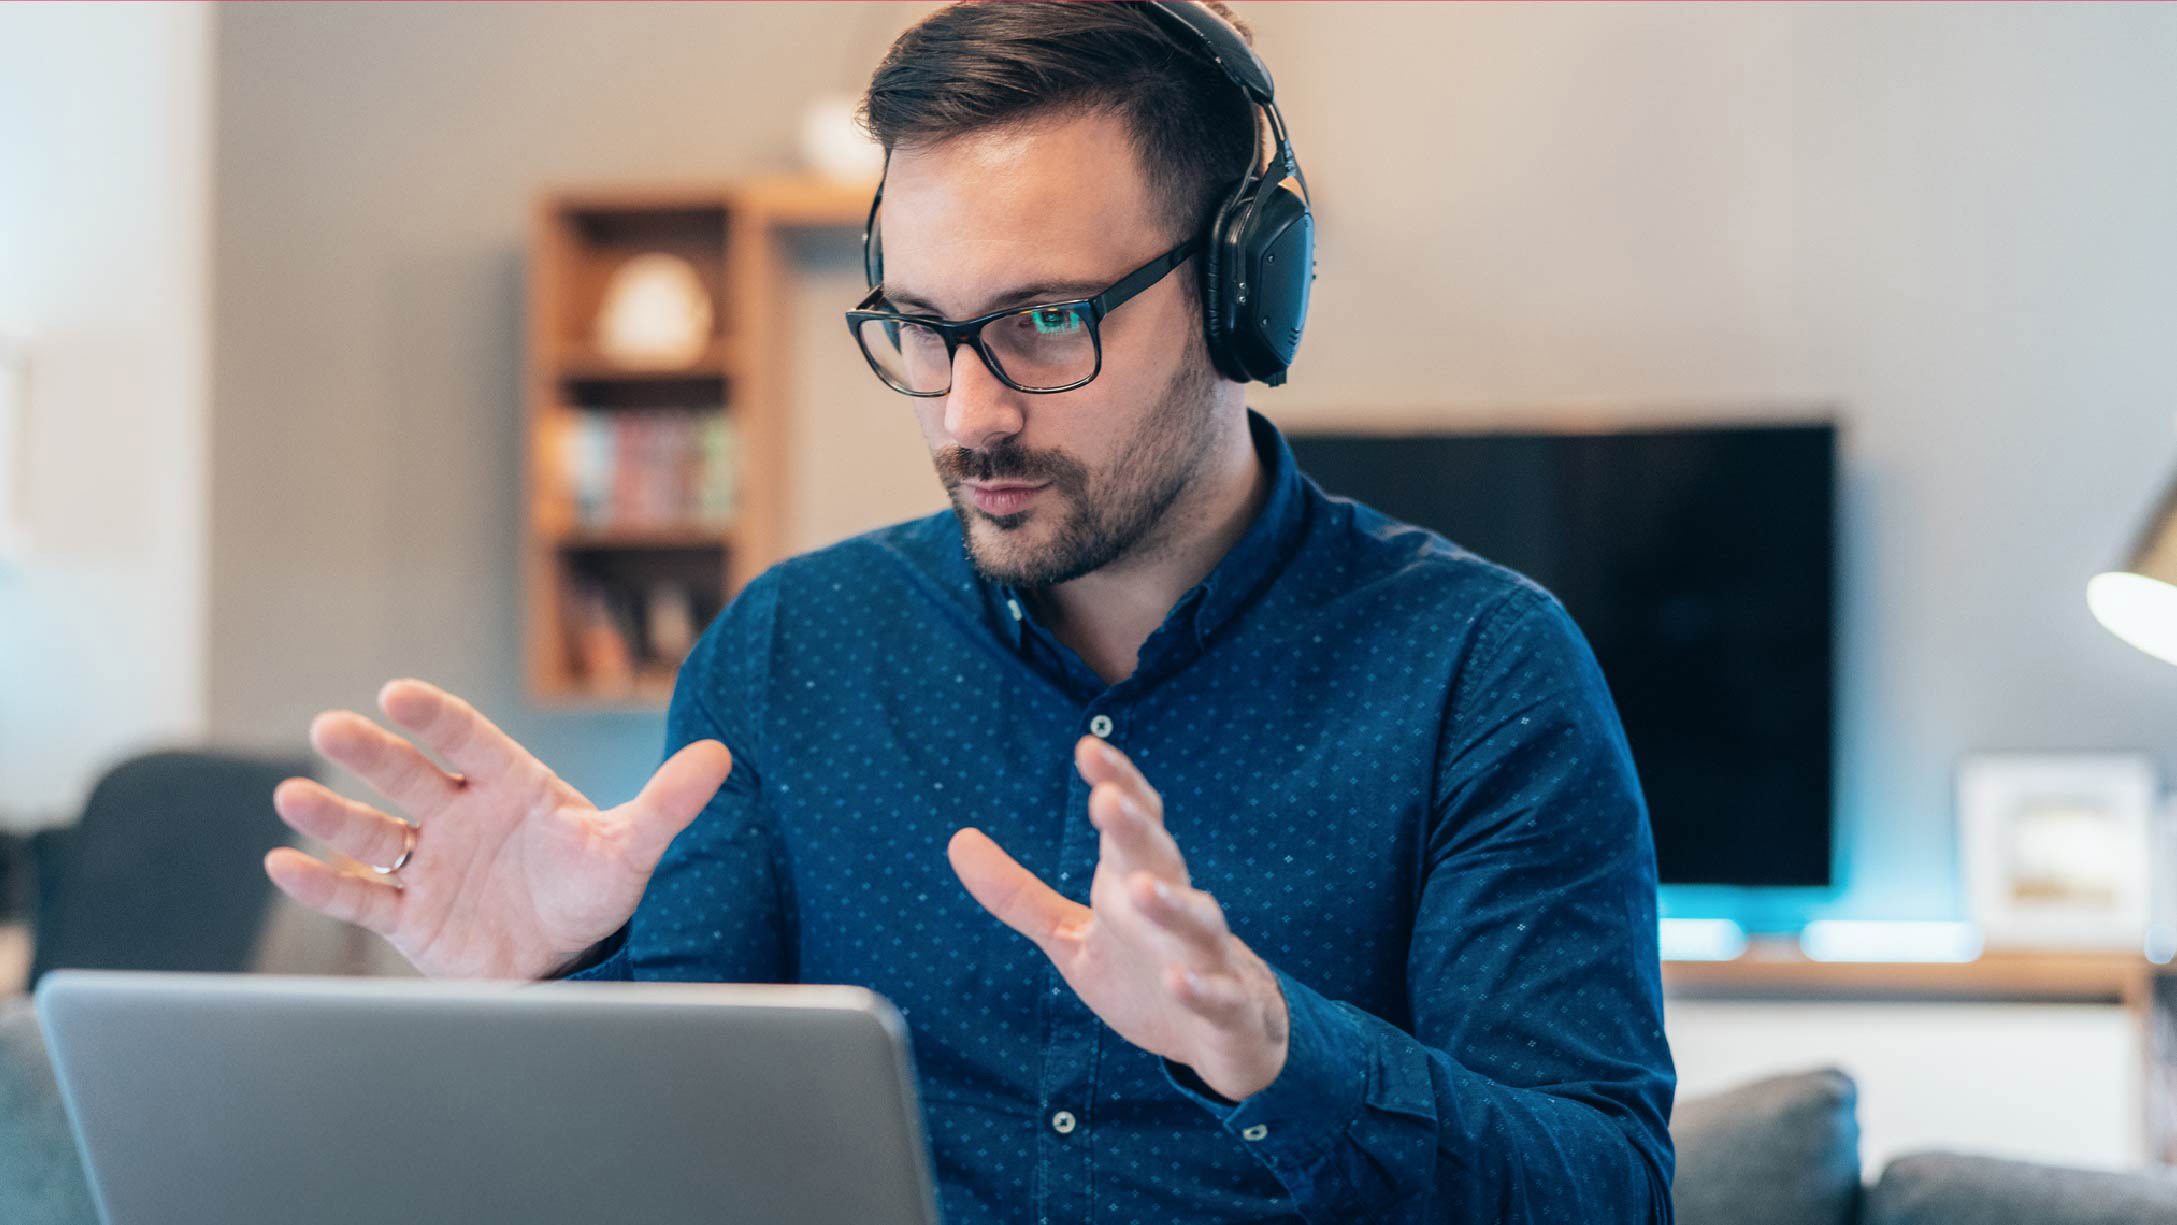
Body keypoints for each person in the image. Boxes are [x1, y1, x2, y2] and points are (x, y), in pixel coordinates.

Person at [262, 3, 1677, 1222]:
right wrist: (560, 986)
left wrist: (1278, 1051)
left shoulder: (1482, 671)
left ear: (1239, 292)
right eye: (921, 329)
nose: (966, 414)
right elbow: (689, 1159)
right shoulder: (786, 654)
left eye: (1046, 321)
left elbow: (1608, 1190)